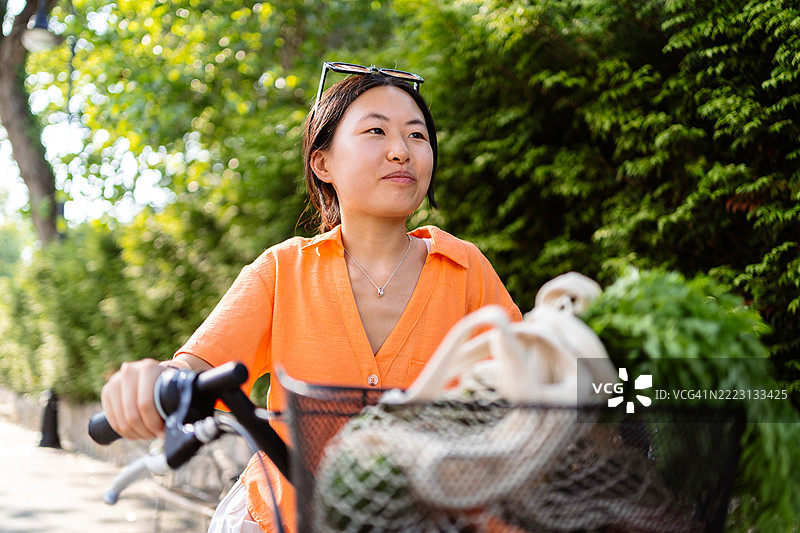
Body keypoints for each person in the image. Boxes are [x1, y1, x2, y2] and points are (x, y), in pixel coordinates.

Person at [100, 61, 522, 532]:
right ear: (323, 163)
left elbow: (537, 381)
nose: (401, 151)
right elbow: (192, 370)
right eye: (376, 131)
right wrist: (152, 383)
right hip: (285, 520)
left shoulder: (467, 270)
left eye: (417, 135)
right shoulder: (282, 271)